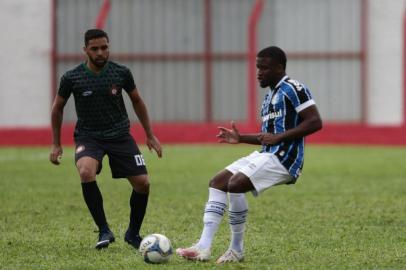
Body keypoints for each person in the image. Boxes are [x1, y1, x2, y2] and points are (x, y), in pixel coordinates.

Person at [176, 46, 322, 263]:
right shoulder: (269, 96)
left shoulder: (294, 88)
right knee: (218, 182)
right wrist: (241, 138)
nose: (259, 72)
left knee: (235, 184)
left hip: (286, 159)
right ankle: (203, 247)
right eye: (257, 67)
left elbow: (315, 121)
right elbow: (268, 137)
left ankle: (236, 250)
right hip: (268, 153)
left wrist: (280, 138)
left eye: (265, 68)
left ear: (280, 68)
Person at [49, 29, 162, 250]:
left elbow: (137, 101)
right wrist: (56, 143)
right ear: (85, 50)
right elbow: (57, 108)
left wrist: (150, 134)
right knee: (85, 171)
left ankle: (132, 233)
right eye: (95, 49)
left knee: (143, 184)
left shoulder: (121, 73)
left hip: (120, 135)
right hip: (89, 136)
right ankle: (104, 230)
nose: (101, 52)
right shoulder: (72, 77)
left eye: (104, 47)